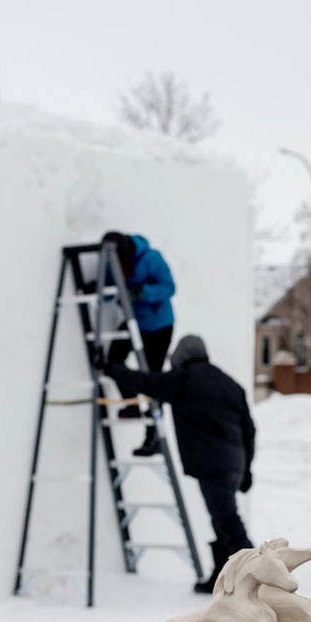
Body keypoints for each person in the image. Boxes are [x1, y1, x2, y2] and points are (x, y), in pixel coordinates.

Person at [97, 334, 256, 593]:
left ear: (181, 357)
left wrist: (111, 368)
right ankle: (221, 578)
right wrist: (247, 469)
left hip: (211, 464)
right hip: (234, 463)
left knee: (228, 522)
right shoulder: (230, 384)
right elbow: (249, 430)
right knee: (222, 520)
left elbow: (145, 382)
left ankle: (258, 578)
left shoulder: (184, 379)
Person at [100, 232, 175, 453]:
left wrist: (143, 292)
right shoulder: (113, 261)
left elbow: (169, 287)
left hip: (159, 326)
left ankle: (154, 436)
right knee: (113, 362)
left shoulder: (151, 258)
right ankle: (131, 406)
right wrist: (97, 288)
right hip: (134, 322)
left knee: (153, 379)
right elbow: (108, 290)